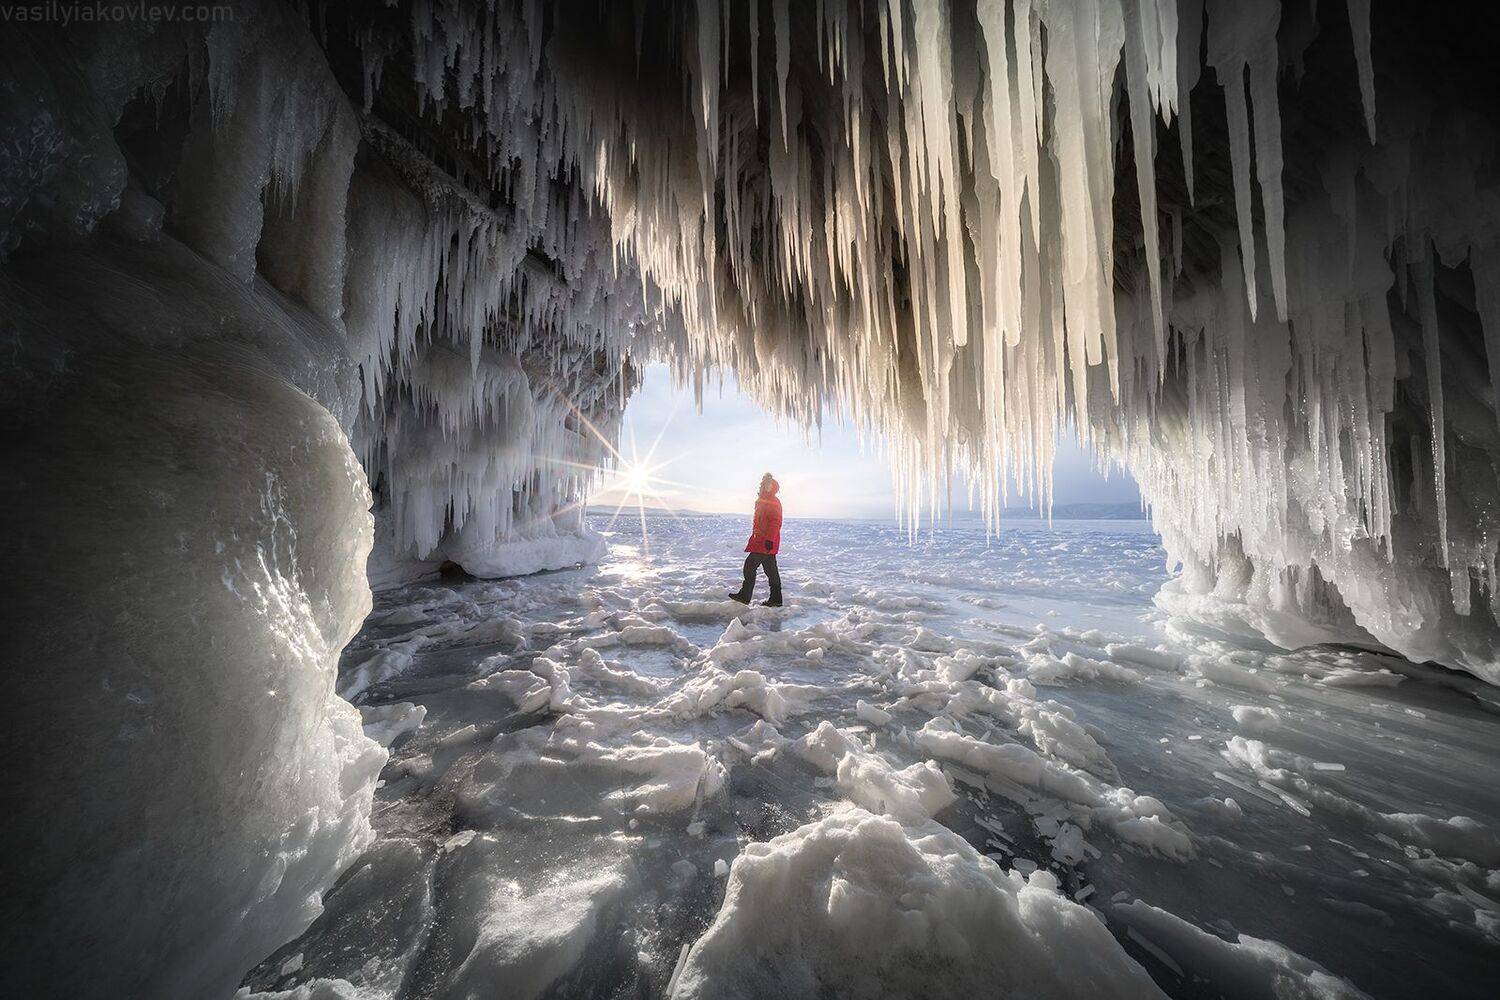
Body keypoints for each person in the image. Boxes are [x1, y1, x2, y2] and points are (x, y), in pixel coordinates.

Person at [729, 472, 783, 606]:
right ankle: (776, 599)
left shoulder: (773, 501)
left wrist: (769, 539)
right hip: (762, 540)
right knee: (771, 570)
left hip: (765, 541)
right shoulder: (762, 500)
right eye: (764, 484)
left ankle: (745, 595)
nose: (766, 486)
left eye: (769, 484)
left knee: (750, 565)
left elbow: (775, 521)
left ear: (773, 486)